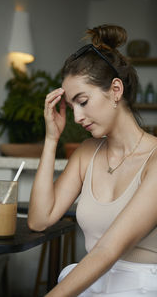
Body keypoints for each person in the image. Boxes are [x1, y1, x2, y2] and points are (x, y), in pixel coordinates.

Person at [27, 24, 157, 296]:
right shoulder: (87, 152)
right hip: (94, 280)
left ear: (116, 90)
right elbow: (39, 220)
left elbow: (109, 250)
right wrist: (52, 139)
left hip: (141, 285)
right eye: (72, 106)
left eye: (83, 101)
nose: (77, 117)